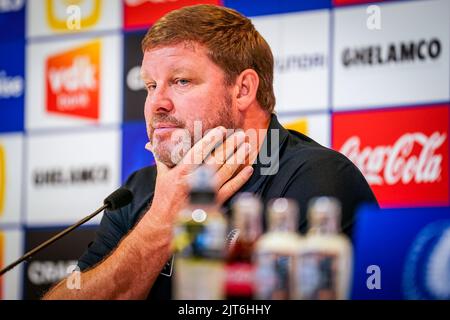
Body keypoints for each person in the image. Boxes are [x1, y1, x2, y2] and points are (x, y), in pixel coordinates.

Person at [43, 4, 377, 300]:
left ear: (243, 90)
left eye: (181, 81)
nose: (157, 103)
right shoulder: (138, 190)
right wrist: (160, 220)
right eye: (150, 85)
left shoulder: (318, 178)